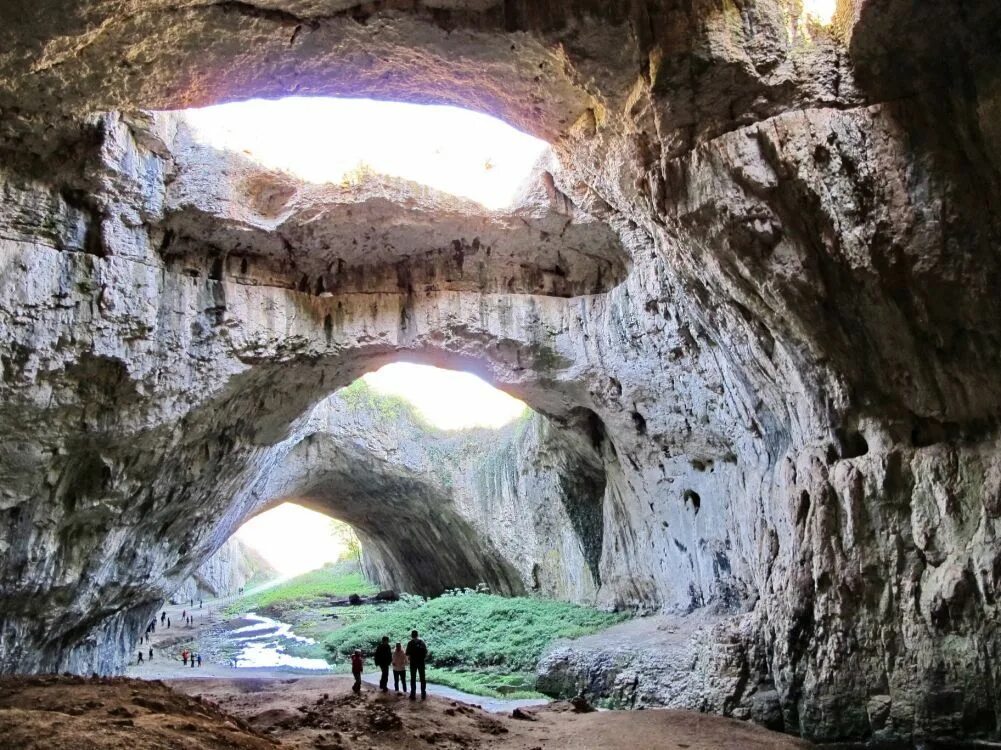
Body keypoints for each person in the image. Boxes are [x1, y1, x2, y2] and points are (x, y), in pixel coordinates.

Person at [405, 630, 428, 700]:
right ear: (417, 635)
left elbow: (407, 653)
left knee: (413, 678)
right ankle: (423, 694)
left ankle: (413, 694)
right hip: (421, 662)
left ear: (412, 636)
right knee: (422, 678)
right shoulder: (421, 642)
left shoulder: (410, 643)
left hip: (413, 663)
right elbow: (426, 652)